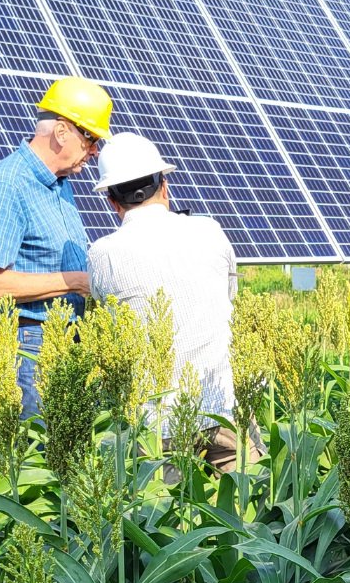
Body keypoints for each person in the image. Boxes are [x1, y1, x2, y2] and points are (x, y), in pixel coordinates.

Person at [84, 132, 256, 474]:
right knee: (246, 513)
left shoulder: (102, 254)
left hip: (155, 426)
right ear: (165, 185)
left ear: (112, 202)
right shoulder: (209, 231)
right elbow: (229, 299)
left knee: (167, 520)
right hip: (221, 405)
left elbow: (108, 321)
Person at [0, 77, 113, 419]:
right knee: (37, 460)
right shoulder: (8, 183)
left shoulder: (60, 185)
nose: (95, 152)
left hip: (67, 339)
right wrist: (74, 281)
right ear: (62, 133)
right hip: (29, 346)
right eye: (91, 139)